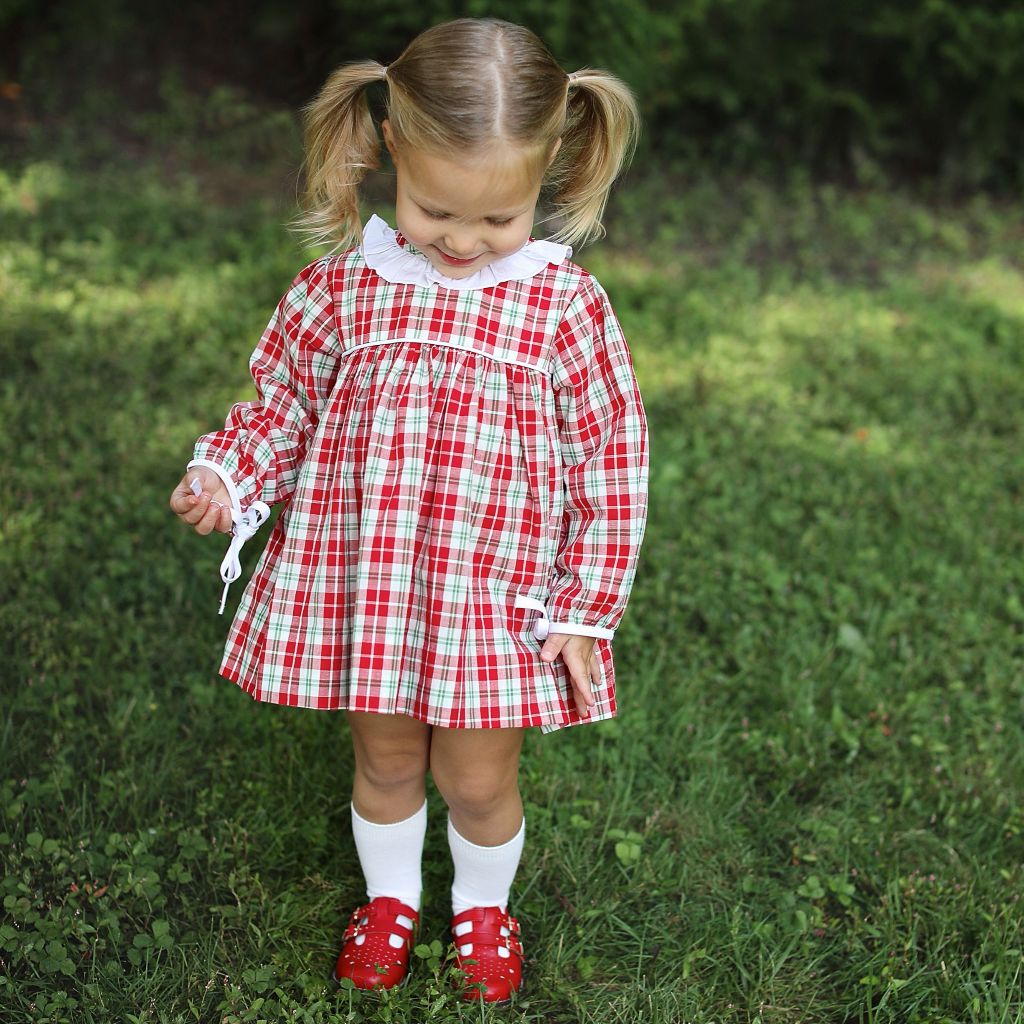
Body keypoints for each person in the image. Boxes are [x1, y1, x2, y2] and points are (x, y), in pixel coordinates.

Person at [169, 17, 648, 1004]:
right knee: (385, 763)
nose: (465, 243)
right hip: (373, 586)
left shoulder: (562, 307)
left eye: (497, 221)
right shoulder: (344, 289)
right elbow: (286, 406)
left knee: (476, 780)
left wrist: (582, 603)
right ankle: (389, 898)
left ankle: (481, 909)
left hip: (493, 599)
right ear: (392, 145)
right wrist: (228, 474)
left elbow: (612, 459)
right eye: (436, 211)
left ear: (547, 170)